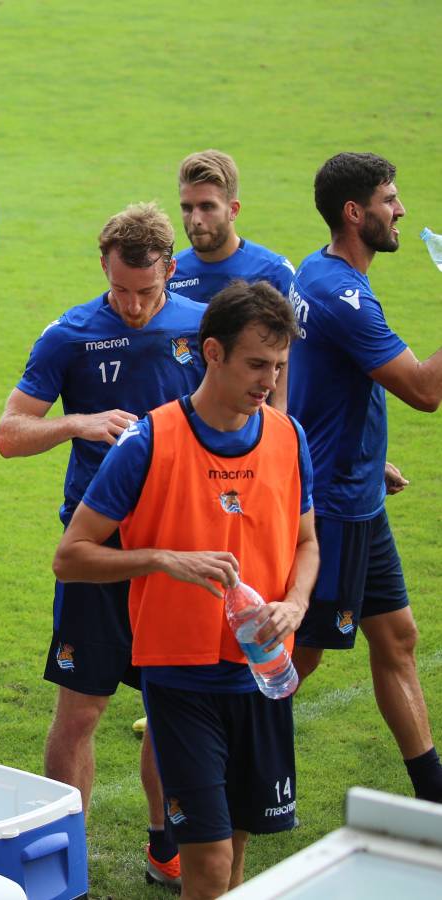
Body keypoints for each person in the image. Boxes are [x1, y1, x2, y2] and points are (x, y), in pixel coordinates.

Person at [54, 281, 318, 900]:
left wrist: (297, 603)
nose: (269, 380)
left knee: (240, 844)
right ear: (213, 353)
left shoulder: (288, 438)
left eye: (279, 366)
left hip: (261, 673)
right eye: (257, 364)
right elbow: (70, 556)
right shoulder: (148, 443)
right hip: (181, 679)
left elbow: (307, 543)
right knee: (207, 856)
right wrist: (162, 560)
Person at [0, 202, 206, 889]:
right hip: (96, 553)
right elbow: (8, 433)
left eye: (147, 291)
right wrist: (77, 423)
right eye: (121, 290)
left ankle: (164, 843)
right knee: (80, 711)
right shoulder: (72, 334)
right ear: (104, 271)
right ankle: (66, 852)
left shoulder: (203, 328)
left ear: (170, 271)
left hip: (177, 554)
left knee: (173, 708)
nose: (135, 306)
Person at [287, 151, 442, 803]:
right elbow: (424, 392)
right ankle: (205, 732)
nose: (401, 208)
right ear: (355, 213)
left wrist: (370, 460)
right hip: (336, 507)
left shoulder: (319, 272)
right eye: (388, 198)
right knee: (301, 654)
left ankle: (432, 790)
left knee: (397, 637)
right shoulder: (342, 294)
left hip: (357, 489)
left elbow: (318, 384)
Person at [168, 150, 295, 304]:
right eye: (187, 208)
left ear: (233, 210)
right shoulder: (169, 275)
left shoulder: (274, 274)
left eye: (207, 207)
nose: (195, 220)